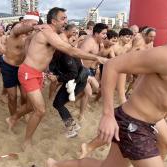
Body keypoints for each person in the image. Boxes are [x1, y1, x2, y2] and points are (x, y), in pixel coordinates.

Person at [47, 1, 167, 167]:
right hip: (134, 123)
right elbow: (112, 65)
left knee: (161, 144)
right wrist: (108, 115)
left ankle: (56, 165)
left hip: (152, 120)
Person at [7, 7, 107, 150]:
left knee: (31, 106)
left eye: (66, 18)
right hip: (28, 72)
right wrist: (96, 57)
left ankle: (12, 118)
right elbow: (70, 50)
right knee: (40, 110)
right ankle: (26, 142)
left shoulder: (52, 32)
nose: (65, 21)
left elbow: (64, 46)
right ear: (53, 21)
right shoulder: (47, 32)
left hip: (38, 74)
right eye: (63, 19)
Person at [1, 12, 39, 117]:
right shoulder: (16, 29)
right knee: (12, 97)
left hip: (23, 68)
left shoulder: (32, 34)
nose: (35, 25)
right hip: (9, 67)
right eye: (33, 23)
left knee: (25, 96)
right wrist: (38, 27)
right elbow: (20, 30)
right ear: (23, 22)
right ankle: (13, 117)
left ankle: (22, 113)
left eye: (36, 23)